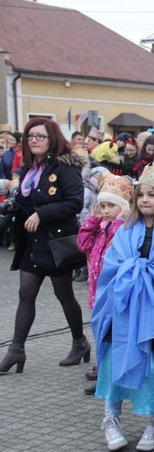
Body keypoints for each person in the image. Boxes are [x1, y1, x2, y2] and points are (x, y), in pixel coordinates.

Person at [91, 161, 154, 452]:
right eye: (142, 194)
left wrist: (140, 271)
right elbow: (110, 269)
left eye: (153, 194)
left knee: (150, 368)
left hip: (153, 317)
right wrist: (132, 270)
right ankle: (111, 418)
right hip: (120, 313)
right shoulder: (123, 231)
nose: (146, 199)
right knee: (112, 363)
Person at [0, 117, 87, 374]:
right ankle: (16, 350)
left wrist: (43, 214)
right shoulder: (29, 168)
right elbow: (28, 202)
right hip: (32, 243)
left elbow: (75, 203)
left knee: (64, 295)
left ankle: (80, 342)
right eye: (30, 136)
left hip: (56, 242)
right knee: (26, 293)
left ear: (52, 139)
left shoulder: (65, 167)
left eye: (40, 136)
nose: (34, 140)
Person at [77, 174, 131, 310]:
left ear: (124, 207)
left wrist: (118, 222)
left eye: (111, 206)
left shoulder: (126, 228)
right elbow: (84, 245)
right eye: (102, 206)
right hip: (96, 287)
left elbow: (116, 244)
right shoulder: (100, 227)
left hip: (113, 288)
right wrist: (92, 221)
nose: (106, 211)